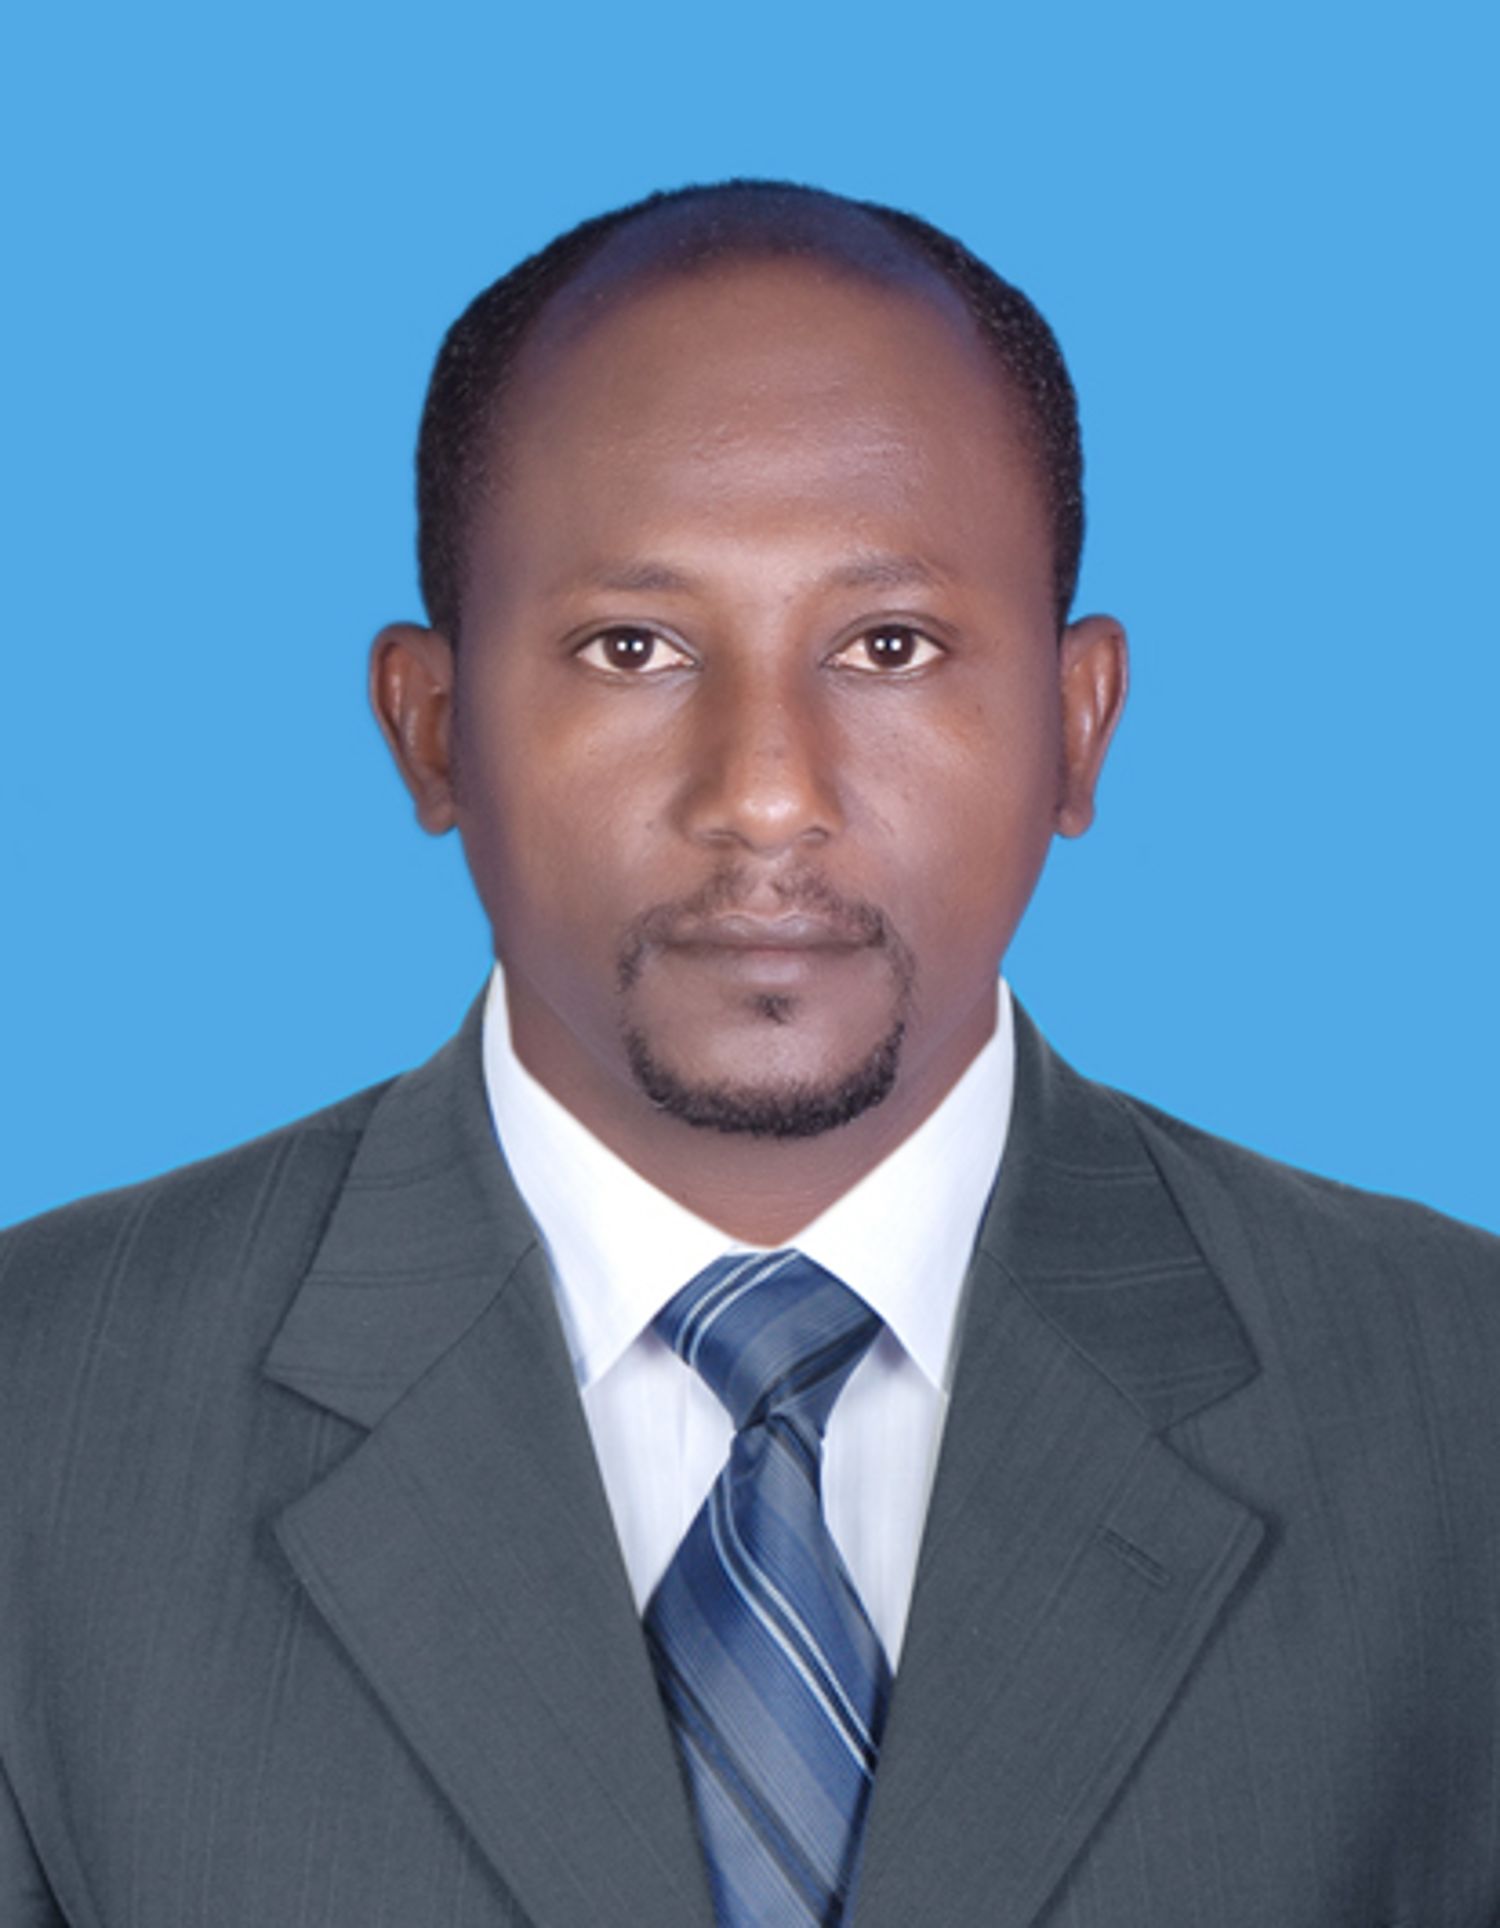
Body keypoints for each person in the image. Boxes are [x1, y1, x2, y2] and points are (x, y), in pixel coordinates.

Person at [2, 180, 1497, 1928]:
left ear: (1078, 726)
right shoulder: (42, 1421)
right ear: (433, 729)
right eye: (633, 647)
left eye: (890, 645)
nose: (767, 793)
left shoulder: (1455, 1406)